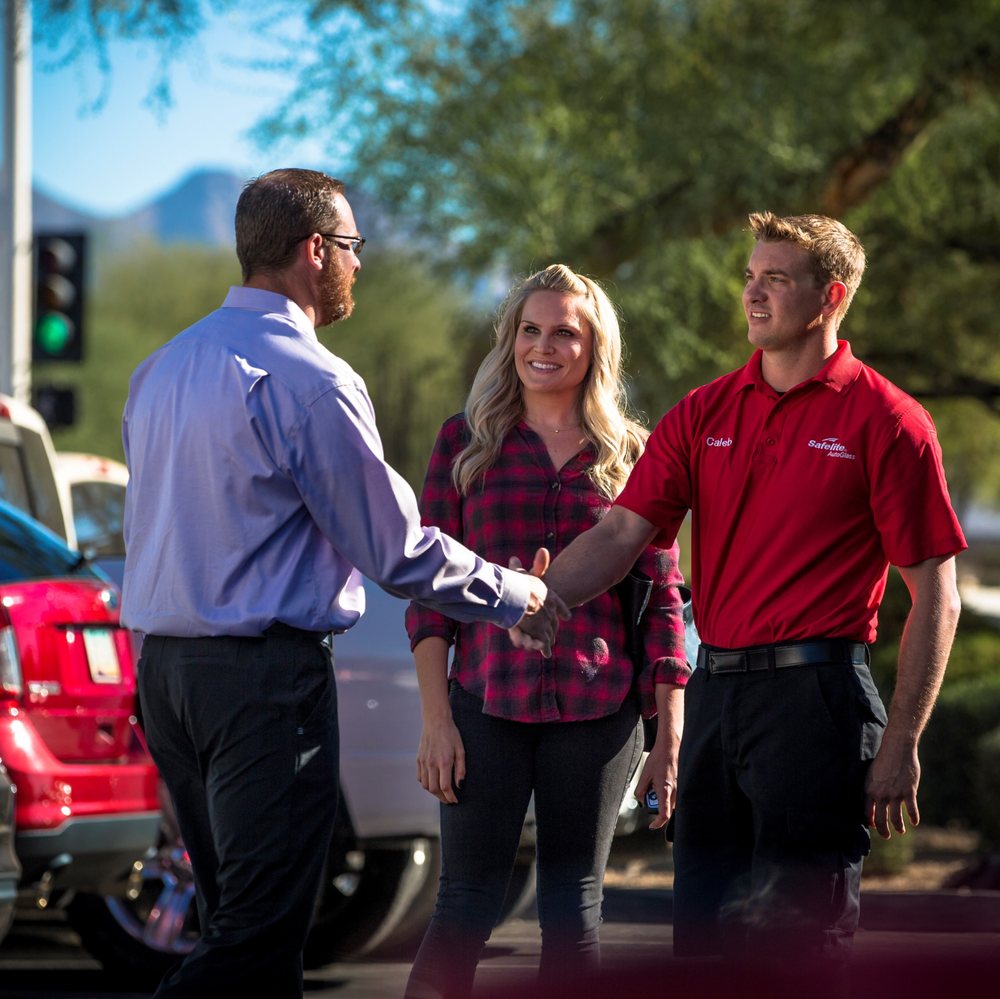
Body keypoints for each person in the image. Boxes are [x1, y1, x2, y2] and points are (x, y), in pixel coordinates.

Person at [120, 168, 567, 999]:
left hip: (167, 677)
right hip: (261, 685)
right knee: (255, 944)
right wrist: (515, 594)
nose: (361, 264)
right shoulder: (313, 380)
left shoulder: (161, 369)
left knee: (237, 927)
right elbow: (394, 550)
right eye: (354, 246)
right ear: (315, 250)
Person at [511, 214, 966, 987]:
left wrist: (902, 740)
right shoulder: (706, 411)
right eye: (751, 277)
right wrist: (541, 597)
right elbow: (622, 531)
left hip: (817, 702)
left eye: (775, 279)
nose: (752, 293)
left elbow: (938, 598)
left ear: (830, 297)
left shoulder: (889, 421)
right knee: (705, 943)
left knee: (800, 948)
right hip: (716, 694)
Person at [403, 264, 689, 999]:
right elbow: (429, 600)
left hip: (598, 713)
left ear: (595, 348)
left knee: (574, 908)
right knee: (464, 905)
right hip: (483, 704)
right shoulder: (465, 444)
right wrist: (436, 721)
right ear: (510, 340)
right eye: (530, 330)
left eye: (565, 332)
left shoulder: (632, 454)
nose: (544, 346)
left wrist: (669, 737)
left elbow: (663, 602)